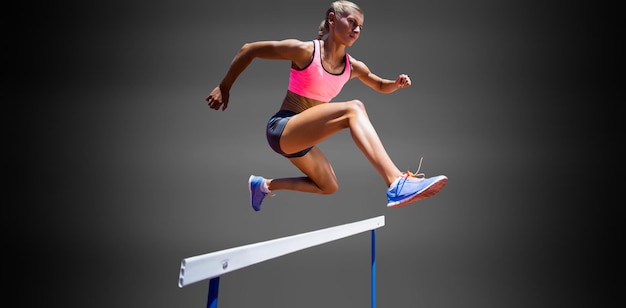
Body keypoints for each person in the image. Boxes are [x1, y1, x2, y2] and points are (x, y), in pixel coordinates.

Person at [206, 1, 447, 211]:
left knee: (328, 186)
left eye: (360, 27)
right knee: (354, 108)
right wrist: (224, 87)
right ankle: (396, 182)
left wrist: (395, 84)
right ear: (332, 19)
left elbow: (379, 84)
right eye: (352, 22)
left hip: (301, 141)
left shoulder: (354, 67)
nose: (357, 29)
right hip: (283, 127)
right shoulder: (306, 51)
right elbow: (249, 50)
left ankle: (264, 185)